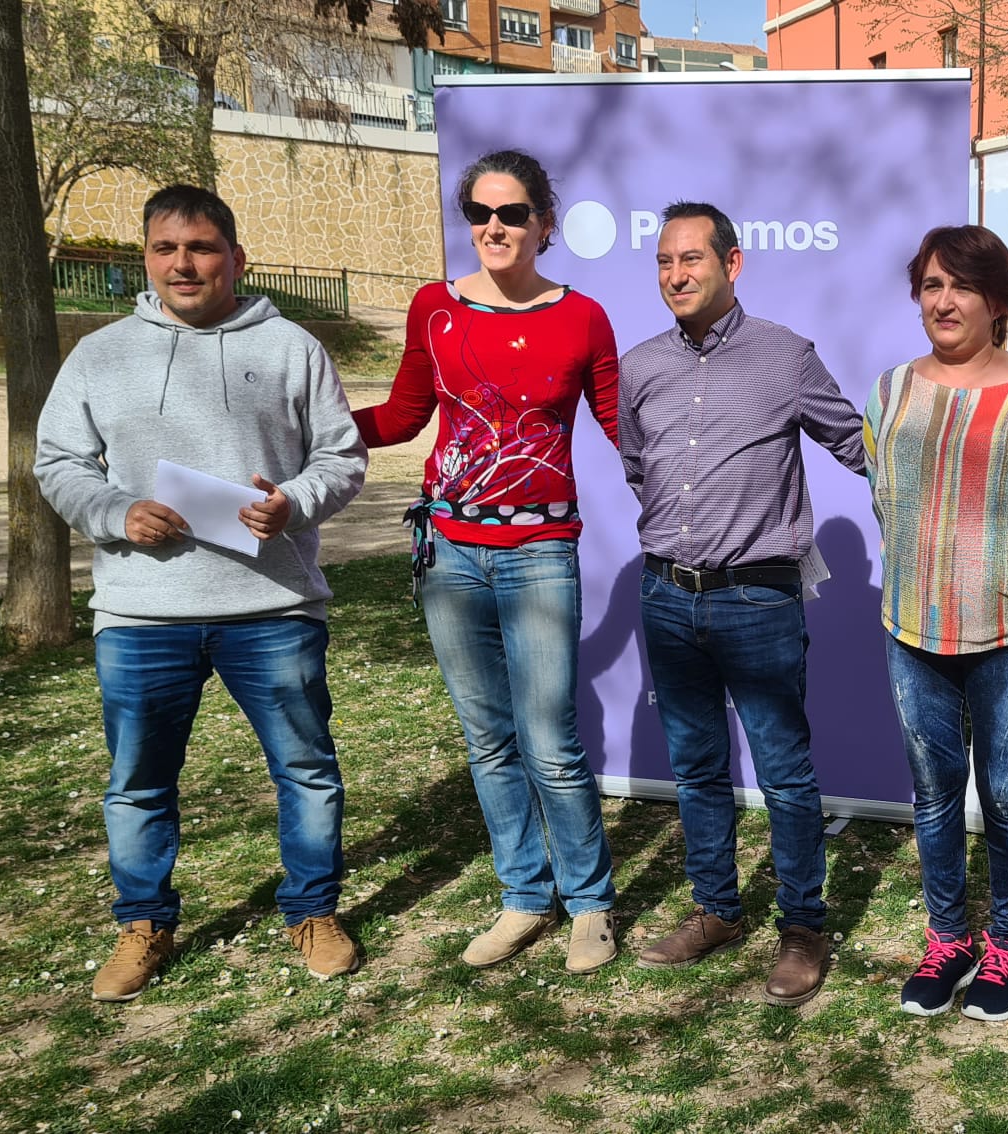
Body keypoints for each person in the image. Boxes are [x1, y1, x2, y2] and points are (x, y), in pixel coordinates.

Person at [35, 185, 368, 1000]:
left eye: (202, 247)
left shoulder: (292, 347)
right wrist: (115, 512)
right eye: (165, 248)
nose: (184, 264)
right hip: (144, 615)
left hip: (273, 609)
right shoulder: (100, 355)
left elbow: (342, 457)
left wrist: (294, 502)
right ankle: (143, 922)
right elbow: (57, 464)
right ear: (145, 258)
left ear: (235, 257)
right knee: (140, 780)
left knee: (306, 770)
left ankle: (314, 910)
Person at [352, 150, 623, 974]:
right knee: (488, 737)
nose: (494, 228)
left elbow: (621, 429)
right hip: (449, 550)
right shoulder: (434, 307)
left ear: (545, 221)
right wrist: (300, 425)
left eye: (511, 214)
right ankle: (521, 897)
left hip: (541, 547)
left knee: (551, 740)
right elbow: (401, 417)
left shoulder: (584, 317)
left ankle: (589, 905)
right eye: (479, 213)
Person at [620, 202, 866, 1007]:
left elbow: (857, 444)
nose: (676, 275)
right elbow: (637, 467)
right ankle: (717, 911)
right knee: (696, 766)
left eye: (691, 259)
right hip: (666, 594)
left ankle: (802, 927)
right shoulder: (642, 365)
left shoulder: (787, 356)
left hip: (758, 600)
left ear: (733, 263)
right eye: (664, 262)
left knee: (786, 774)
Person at [863, 226, 1008, 1023]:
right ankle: (947, 940)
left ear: (999, 301)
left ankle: (1006, 944)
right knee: (933, 798)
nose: (944, 300)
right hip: (913, 628)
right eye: (931, 284)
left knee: (1005, 795)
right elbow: (883, 491)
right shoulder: (891, 390)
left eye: (962, 285)